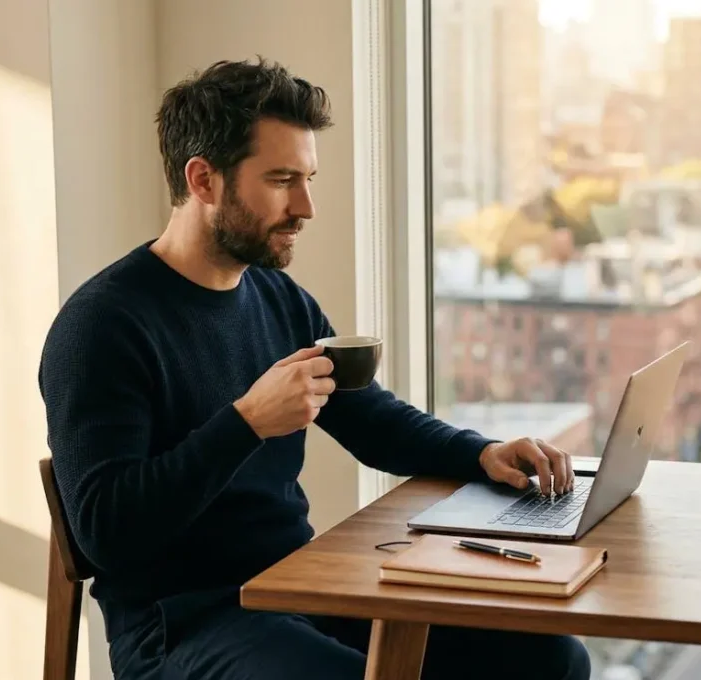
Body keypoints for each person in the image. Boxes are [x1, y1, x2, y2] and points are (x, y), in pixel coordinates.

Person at [38, 57, 589, 680]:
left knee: (550, 657)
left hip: (296, 590)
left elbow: (370, 417)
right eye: (281, 180)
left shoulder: (278, 299)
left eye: (308, 178)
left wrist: (480, 453)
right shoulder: (102, 327)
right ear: (203, 180)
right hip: (181, 626)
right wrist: (246, 422)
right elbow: (105, 533)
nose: (306, 206)